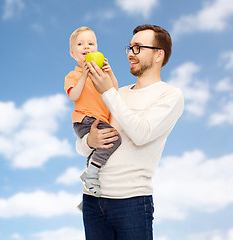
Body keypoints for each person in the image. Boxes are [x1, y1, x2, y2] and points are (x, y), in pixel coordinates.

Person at [76, 24, 184, 240]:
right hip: (92, 200)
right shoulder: (118, 93)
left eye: (138, 48)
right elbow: (81, 147)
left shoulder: (170, 95)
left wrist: (107, 91)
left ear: (158, 55)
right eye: (130, 48)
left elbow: (141, 133)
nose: (130, 54)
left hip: (131, 201)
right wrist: (90, 140)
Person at [64, 26, 121, 197]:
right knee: (114, 139)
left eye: (91, 43)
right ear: (73, 54)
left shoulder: (101, 73)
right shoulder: (72, 75)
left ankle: (89, 182)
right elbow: (74, 96)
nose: (86, 47)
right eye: (80, 44)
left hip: (100, 119)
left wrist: (109, 73)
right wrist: (84, 75)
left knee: (98, 149)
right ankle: (91, 175)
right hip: (85, 119)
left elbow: (114, 90)